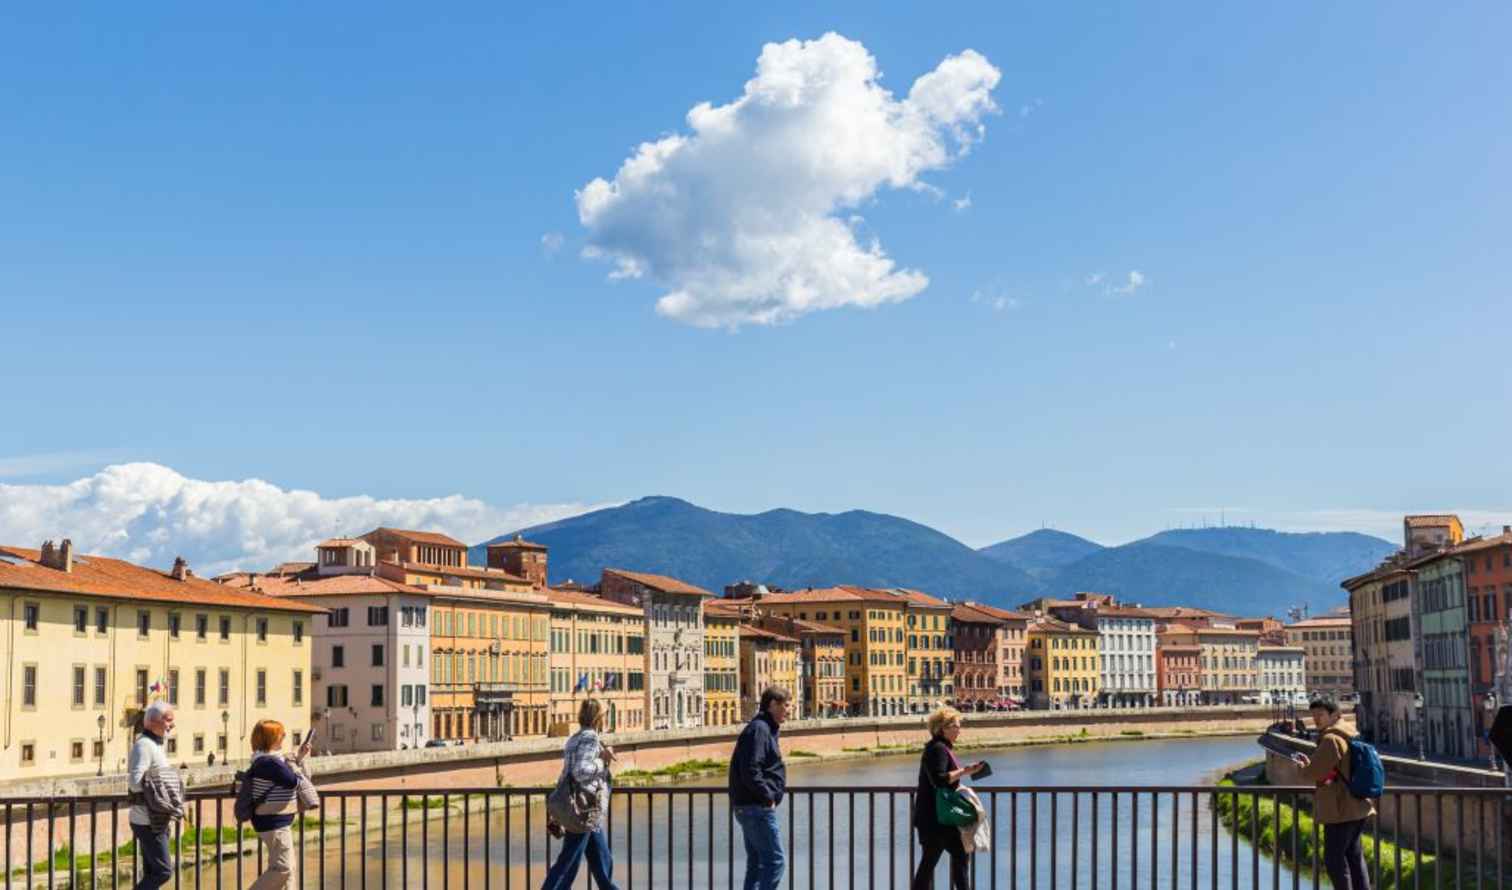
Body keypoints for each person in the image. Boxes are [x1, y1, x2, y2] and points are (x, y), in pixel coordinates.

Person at [1294, 695, 1374, 890]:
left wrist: (1302, 767)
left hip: (1339, 809)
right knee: (1354, 858)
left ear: (1334, 714)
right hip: (1357, 805)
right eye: (1314, 715)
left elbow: (1314, 772)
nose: (1316, 720)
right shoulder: (1349, 732)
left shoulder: (1331, 739)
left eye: (1320, 715)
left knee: (1333, 861)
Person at [541, 697, 621, 890]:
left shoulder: (574, 738)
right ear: (599, 718)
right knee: (568, 862)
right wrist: (602, 761)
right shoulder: (590, 738)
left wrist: (558, 806)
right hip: (584, 808)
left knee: (602, 863)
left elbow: (566, 773)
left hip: (585, 810)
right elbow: (580, 771)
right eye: (604, 715)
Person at [236, 720, 319, 890]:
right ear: (271, 738)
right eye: (281, 734)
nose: (284, 737)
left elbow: (286, 773)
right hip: (273, 823)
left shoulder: (268, 760)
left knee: (289, 869)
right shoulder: (269, 762)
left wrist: (300, 757)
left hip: (276, 821)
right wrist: (295, 765)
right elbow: (291, 780)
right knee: (283, 868)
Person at [912, 706, 985, 890]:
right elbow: (939, 779)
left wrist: (966, 772)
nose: (959, 730)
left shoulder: (939, 748)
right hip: (936, 819)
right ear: (943, 728)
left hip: (937, 817)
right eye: (956, 726)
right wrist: (966, 771)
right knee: (934, 863)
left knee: (953, 857)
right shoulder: (937, 749)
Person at [729, 686, 790, 890]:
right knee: (775, 863)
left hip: (750, 806)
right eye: (786, 706)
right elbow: (750, 769)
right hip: (756, 808)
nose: (788, 711)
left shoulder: (763, 728)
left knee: (756, 864)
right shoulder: (760, 730)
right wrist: (768, 797)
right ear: (773, 704)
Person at [128, 701, 178, 890]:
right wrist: (164, 788)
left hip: (156, 818)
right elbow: (135, 782)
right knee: (163, 871)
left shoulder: (155, 745)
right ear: (153, 722)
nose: (172, 725)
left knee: (151, 872)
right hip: (146, 820)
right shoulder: (144, 746)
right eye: (168, 720)